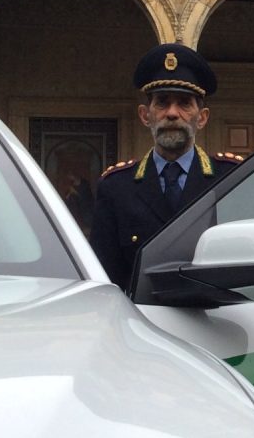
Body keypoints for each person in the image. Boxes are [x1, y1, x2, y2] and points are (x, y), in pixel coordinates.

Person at [89, 42, 243, 289]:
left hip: (215, 322)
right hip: (139, 322)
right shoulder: (116, 187)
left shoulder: (233, 179)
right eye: (162, 102)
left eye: (184, 103)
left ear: (201, 118)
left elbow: (250, 266)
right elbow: (104, 278)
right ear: (145, 115)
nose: (172, 113)